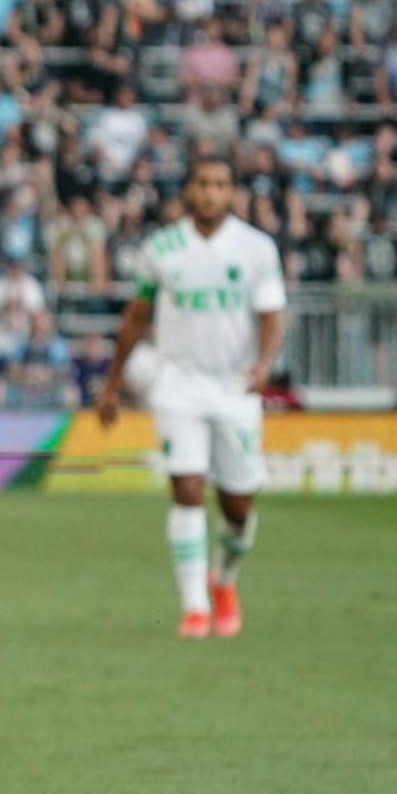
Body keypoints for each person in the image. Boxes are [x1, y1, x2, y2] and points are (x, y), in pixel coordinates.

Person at [98, 158, 286, 640]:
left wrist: (263, 365)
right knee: (185, 489)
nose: (210, 193)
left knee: (238, 506)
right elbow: (136, 317)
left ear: (232, 192)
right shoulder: (161, 248)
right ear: (188, 190)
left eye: (220, 185)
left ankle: (223, 582)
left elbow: (271, 316)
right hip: (177, 383)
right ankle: (194, 607)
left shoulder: (256, 249)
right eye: (202, 184)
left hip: (234, 387)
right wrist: (112, 385)